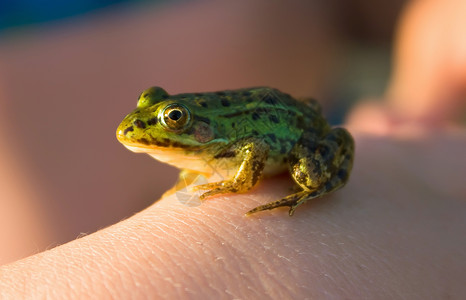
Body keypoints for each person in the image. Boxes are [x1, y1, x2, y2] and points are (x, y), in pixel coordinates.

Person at [0, 0, 465, 298]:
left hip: (309, 135)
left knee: (307, 172)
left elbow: (256, 147)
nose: (151, 123)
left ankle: (315, 190)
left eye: (173, 119)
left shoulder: (233, 145)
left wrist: (238, 189)